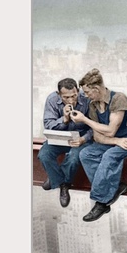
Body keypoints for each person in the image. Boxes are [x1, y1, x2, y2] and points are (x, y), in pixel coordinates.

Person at [71, 69, 127, 222]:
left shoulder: (118, 99)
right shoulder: (93, 104)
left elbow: (110, 130)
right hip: (115, 141)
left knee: (109, 156)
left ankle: (101, 202)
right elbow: (97, 135)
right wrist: (116, 141)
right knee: (86, 154)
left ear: (96, 89)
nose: (86, 96)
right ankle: (115, 188)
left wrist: (85, 120)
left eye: (88, 92)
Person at [38, 77, 92, 208]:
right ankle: (62, 183)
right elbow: (48, 125)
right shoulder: (51, 99)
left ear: (78, 91)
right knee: (44, 155)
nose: (71, 100)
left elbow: (94, 126)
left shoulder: (87, 99)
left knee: (73, 158)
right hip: (59, 137)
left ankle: (58, 181)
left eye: (74, 96)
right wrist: (65, 119)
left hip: (80, 138)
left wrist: (83, 139)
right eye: (66, 97)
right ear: (59, 95)